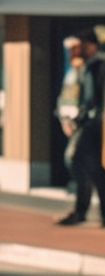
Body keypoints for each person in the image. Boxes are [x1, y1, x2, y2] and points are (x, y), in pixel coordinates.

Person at [57, 27, 105, 225]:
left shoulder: (98, 66)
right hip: (86, 122)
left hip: (95, 123)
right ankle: (84, 210)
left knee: (89, 167)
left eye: (82, 46)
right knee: (86, 166)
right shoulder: (81, 68)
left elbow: (93, 99)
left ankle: (85, 211)